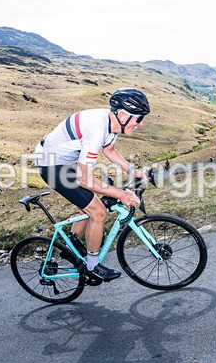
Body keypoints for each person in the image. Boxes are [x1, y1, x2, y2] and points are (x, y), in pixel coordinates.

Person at [33, 88, 150, 281]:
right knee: (98, 211)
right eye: (139, 118)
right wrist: (121, 194)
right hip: (52, 165)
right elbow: (84, 179)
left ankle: (71, 245)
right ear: (123, 114)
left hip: (65, 161)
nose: (141, 123)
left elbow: (110, 150)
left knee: (88, 204)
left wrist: (132, 171)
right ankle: (92, 267)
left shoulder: (112, 123)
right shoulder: (96, 129)